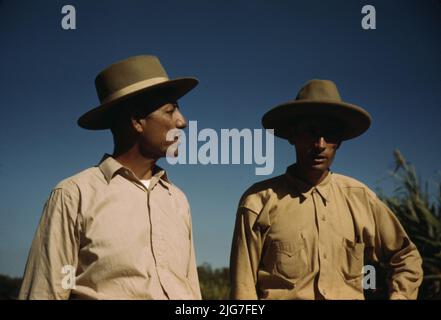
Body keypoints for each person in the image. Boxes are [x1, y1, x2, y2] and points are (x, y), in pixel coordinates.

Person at [19, 55, 201, 299]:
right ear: (137, 121)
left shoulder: (177, 201)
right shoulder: (74, 195)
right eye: (170, 110)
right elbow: (47, 291)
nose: (183, 121)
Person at [229, 79, 423, 300]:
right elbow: (242, 289)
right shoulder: (258, 202)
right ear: (293, 135)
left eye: (329, 134)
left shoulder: (361, 198)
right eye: (310, 132)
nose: (319, 144)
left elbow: (407, 257)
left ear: (339, 141)